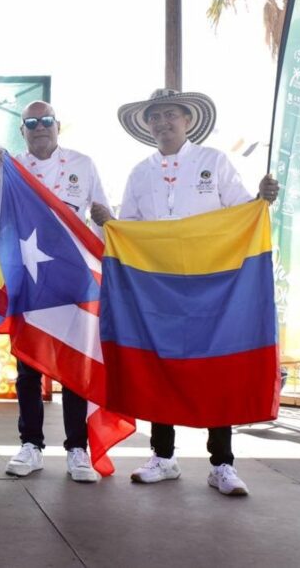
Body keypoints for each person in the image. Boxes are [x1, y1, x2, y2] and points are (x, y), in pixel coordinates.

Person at [90, 87, 280, 497]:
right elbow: (129, 229)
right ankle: (163, 456)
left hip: (213, 286)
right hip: (157, 288)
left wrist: (262, 199)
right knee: (160, 363)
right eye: (155, 117)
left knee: (216, 365)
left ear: (188, 119)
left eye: (170, 114)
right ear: (147, 126)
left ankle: (222, 464)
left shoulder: (214, 161)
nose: (163, 123)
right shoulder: (140, 172)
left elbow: (244, 212)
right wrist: (109, 223)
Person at [0, 101, 108, 484]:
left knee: (74, 366)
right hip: (31, 278)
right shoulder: (13, 167)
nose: (40, 127)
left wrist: (110, 260)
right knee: (28, 365)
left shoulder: (83, 164)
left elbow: (101, 218)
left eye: (47, 121)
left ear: (58, 125)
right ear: (22, 131)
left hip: (73, 279)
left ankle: (77, 448)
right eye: (32, 123)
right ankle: (31, 445)